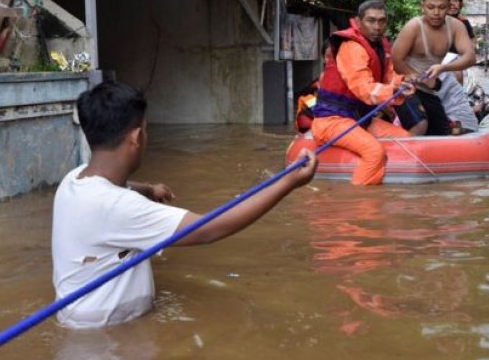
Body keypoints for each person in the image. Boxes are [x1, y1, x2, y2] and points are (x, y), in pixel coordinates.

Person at [51, 81, 318, 328]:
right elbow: (208, 229)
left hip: (82, 323)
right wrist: (288, 183)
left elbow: (116, 190)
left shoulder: (73, 180)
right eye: (146, 130)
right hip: (111, 336)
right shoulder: (119, 208)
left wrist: (148, 189)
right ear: (135, 138)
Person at [311, 0, 415, 185]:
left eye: (382, 21)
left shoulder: (381, 46)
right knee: (374, 152)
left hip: (359, 118)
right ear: (358, 22)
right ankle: (360, 207)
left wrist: (404, 82)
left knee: (405, 138)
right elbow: (363, 88)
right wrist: (394, 89)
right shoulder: (351, 46)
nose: (377, 26)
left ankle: (378, 183)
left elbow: (389, 80)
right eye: (371, 20)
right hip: (332, 120)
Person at [392, 0, 478, 135]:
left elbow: (470, 57)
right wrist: (418, 77)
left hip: (431, 88)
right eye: (431, 7)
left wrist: (443, 68)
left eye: (442, 7)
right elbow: (396, 60)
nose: (436, 13)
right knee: (420, 125)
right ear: (422, 5)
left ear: (449, 6)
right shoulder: (413, 27)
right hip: (407, 87)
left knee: (443, 132)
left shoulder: (456, 26)